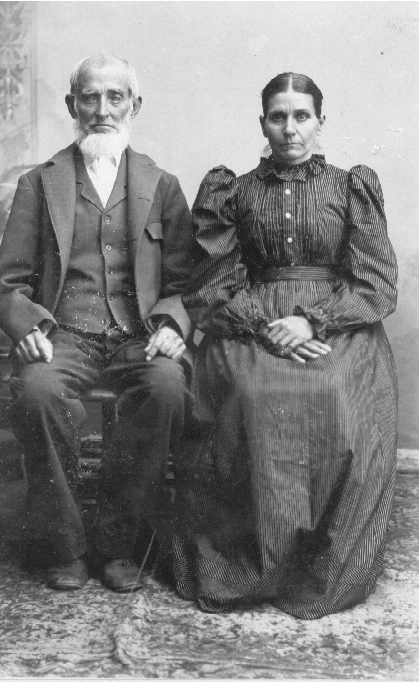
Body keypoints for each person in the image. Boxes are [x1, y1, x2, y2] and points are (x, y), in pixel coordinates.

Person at [172, 72, 398, 619]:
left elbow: (376, 283)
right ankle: (251, 562)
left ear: (321, 122)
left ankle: (316, 565)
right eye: (278, 117)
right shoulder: (234, 191)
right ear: (263, 123)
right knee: (252, 394)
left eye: (301, 116)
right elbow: (211, 285)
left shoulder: (350, 187)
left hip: (338, 320)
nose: (290, 129)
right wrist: (264, 324)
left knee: (337, 393)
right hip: (250, 320)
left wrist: (314, 322)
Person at [0, 53, 197, 593]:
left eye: (115, 97)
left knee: (167, 388)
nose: (102, 110)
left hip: (138, 337)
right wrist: (28, 327)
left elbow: (185, 282)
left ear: (134, 106)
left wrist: (172, 324)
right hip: (64, 335)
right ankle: (65, 545)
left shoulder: (162, 185)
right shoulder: (40, 184)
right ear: (72, 105)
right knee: (37, 392)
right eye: (90, 97)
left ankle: (118, 542)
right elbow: (7, 282)